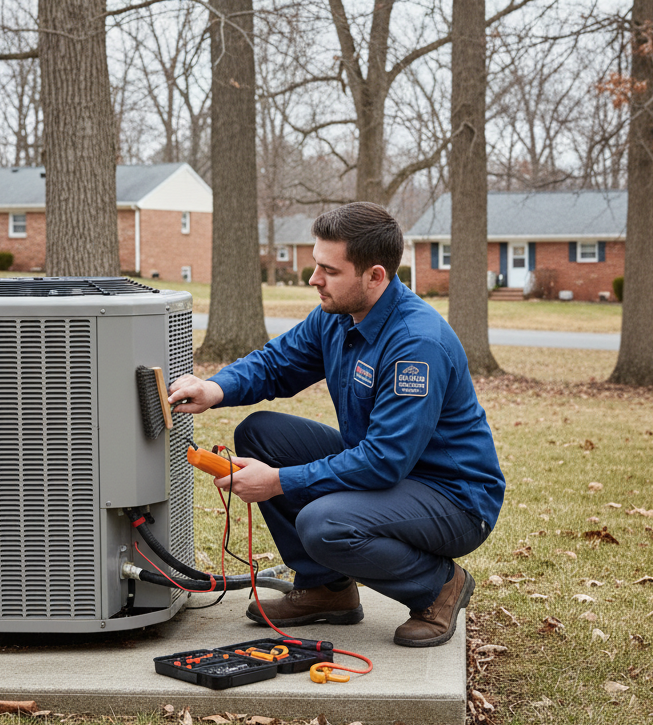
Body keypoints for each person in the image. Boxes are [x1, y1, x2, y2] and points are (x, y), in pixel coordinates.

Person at [168, 202, 504, 647]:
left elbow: (384, 461)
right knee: (260, 433)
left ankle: (439, 586)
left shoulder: (416, 344)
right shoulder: (337, 314)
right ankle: (327, 589)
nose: (314, 280)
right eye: (315, 265)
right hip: (393, 474)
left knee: (323, 524)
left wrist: (279, 481)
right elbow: (277, 363)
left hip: (454, 499)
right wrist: (215, 389)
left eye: (329, 270)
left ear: (376, 276)